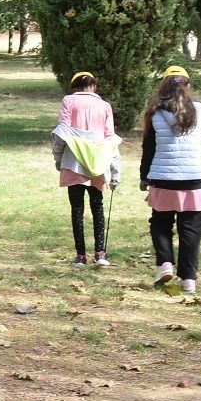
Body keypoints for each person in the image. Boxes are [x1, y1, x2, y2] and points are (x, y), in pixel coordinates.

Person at [139, 66, 201, 295]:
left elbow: (148, 148)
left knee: (160, 222)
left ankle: (165, 264)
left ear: (163, 87)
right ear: (188, 87)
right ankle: (188, 280)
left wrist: (144, 176)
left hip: (163, 177)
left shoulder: (155, 112)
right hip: (197, 177)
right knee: (191, 229)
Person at [52, 71, 121, 267]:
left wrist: (58, 159)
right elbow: (111, 140)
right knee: (97, 206)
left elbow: (62, 132)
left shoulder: (68, 101)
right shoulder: (104, 106)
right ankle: (100, 253)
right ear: (94, 86)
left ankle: (80, 255)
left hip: (73, 161)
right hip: (98, 162)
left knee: (77, 209)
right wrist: (115, 171)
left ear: (74, 86)